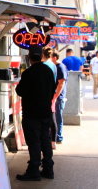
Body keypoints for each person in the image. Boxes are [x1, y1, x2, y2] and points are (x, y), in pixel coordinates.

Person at [15, 47, 56, 181]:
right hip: (46, 112)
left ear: (30, 57)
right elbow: (53, 89)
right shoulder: (49, 71)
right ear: (41, 56)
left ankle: (33, 170)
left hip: (31, 113)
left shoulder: (28, 73)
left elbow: (20, 91)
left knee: (34, 142)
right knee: (45, 140)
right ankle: (48, 169)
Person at [51, 51, 68, 144]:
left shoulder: (60, 67)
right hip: (56, 96)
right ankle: (56, 136)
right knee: (56, 117)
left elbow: (61, 83)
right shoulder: (56, 67)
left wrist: (56, 96)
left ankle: (58, 137)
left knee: (58, 118)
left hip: (58, 96)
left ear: (54, 57)